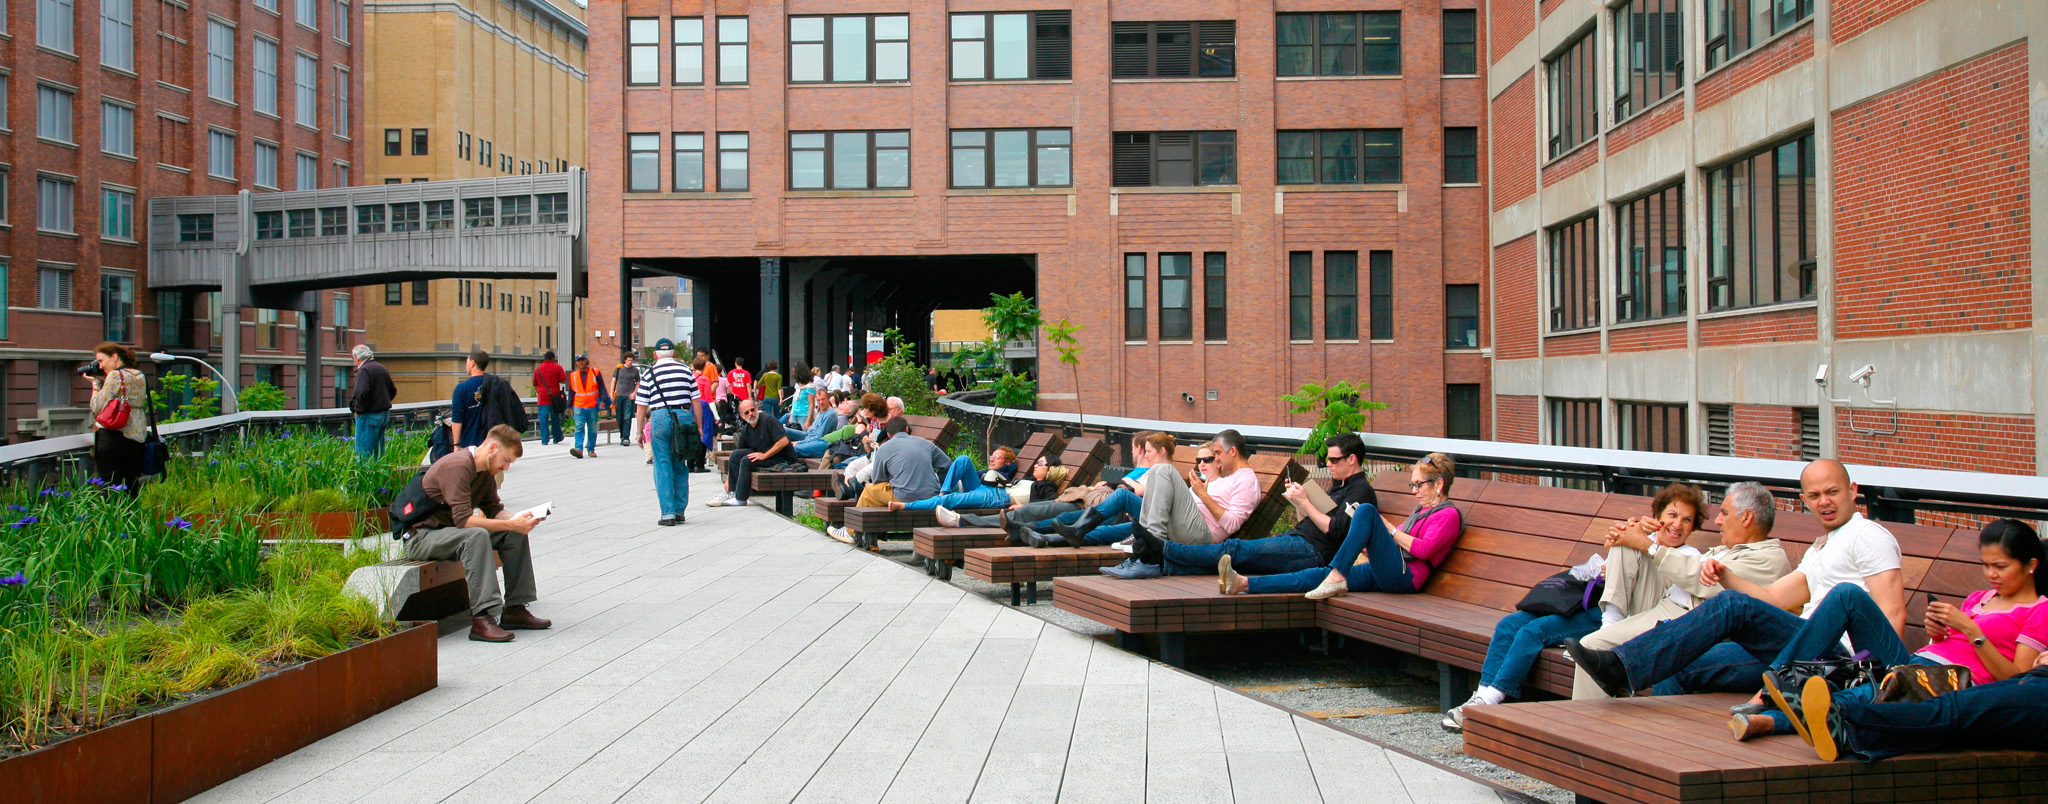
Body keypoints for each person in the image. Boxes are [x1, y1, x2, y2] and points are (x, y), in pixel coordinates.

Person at [1570, 460, 1907, 698]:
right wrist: (1726, 575)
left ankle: (1621, 669)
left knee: (1729, 605)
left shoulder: (1867, 535)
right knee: (1680, 664)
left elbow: (1891, 614)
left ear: (1853, 490)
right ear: (1804, 501)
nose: (1824, 502)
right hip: (1802, 649)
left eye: (1832, 492)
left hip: (1838, 660)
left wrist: (1872, 687)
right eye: (1815, 496)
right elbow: (1775, 599)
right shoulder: (1821, 548)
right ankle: (1661, 762)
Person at [1731, 519, 2046, 743]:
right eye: (1986, 565)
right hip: (1915, 661)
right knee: (1847, 595)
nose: (1991, 574)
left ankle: (1769, 720)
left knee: (1869, 691)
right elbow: (1949, 644)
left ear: (2030, 565)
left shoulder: (2039, 609)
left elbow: (2015, 678)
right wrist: (1938, 632)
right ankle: (1778, 685)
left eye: (2000, 567)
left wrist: (1972, 631)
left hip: (1950, 682)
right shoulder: (1981, 598)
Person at [1441, 481, 1714, 732]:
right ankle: (1480, 695)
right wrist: (1619, 557)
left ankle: (1493, 699)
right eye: (1672, 515)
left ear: (1693, 527)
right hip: (1605, 607)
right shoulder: (1638, 535)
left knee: (1533, 632)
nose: (1678, 525)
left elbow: (1663, 595)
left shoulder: (1689, 556)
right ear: (1658, 515)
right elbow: (1618, 559)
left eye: (1687, 520)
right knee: (1510, 624)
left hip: (1627, 620)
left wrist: (1635, 545)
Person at [1570, 482, 1793, 701]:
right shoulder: (1729, 549)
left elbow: (1706, 582)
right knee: (1628, 534)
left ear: (1746, 518)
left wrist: (1649, 546)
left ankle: (1583, 726)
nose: (1718, 521)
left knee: (1592, 644)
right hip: (1665, 604)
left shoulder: (1768, 558)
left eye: (1724, 513)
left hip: (1687, 621)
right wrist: (1642, 537)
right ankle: (1612, 624)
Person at [1225, 452, 1460, 600]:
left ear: (1438, 483)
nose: (1414, 490)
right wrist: (1368, 542)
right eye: (1413, 484)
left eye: (1419, 485)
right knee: (1317, 576)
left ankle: (1336, 576)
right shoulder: (1422, 511)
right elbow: (1396, 545)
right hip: (1385, 570)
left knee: (1367, 511)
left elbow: (1423, 550)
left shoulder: (1448, 515)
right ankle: (1244, 583)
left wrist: (1387, 529)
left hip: (1405, 577)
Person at [403, 425, 552, 643]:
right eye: (506, 459)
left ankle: (515, 609)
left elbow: (494, 510)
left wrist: (520, 519)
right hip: (422, 536)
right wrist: (512, 524)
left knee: (514, 533)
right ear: (492, 448)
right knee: (477, 535)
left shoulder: (486, 472)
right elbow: (463, 521)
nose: (506, 467)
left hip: (449, 533)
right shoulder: (458, 465)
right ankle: (482, 619)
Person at [1166, 433, 1380, 582]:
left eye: (1333, 459)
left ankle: (1166, 551)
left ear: (1352, 459)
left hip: (1311, 553)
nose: (1328, 464)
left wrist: (1305, 502)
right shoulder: (1338, 488)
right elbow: (1306, 524)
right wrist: (1298, 502)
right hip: (1298, 540)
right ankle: (1169, 565)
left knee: (1234, 550)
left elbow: (1335, 531)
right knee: (1238, 558)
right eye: (1327, 459)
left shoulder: (1361, 491)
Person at [1803, 652, 2048, 763]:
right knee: (1959, 718)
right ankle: (1851, 737)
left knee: (1954, 709)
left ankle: (1842, 717)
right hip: (2038, 679)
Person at [1099, 430, 1264, 579]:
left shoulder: (1246, 479)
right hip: (1190, 527)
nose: (1217, 459)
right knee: (1157, 469)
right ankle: (1142, 550)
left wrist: (1203, 494)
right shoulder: (1229, 478)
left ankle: (1151, 556)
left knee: (1166, 470)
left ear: (1233, 451)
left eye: (1218, 453)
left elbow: (1232, 524)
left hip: (1203, 536)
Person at [1018, 431, 1177, 548]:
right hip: (1128, 512)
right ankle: (1038, 533)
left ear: (1162, 451)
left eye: (1149, 451)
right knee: (1073, 516)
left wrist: (1126, 481)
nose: (1146, 455)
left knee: (1101, 528)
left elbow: (1143, 493)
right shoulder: (1157, 471)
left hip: (1141, 519)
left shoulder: (1166, 472)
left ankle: (1046, 538)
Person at [825, 418, 948, 544]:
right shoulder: (925, 443)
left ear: (888, 434)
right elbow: (947, 465)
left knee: (870, 490)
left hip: (904, 496)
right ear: (906, 429)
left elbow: (879, 480)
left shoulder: (885, 448)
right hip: (932, 495)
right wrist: (943, 489)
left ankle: (850, 531)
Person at [635, 338, 700, 526]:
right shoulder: (686, 371)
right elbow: (695, 400)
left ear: (655, 355)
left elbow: (641, 406)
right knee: (680, 462)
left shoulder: (649, 373)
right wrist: (700, 426)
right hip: (683, 416)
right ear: (674, 354)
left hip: (660, 418)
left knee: (662, 464)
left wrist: (639, 432)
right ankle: (680, 510)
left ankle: (668, 514)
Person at [708, 399, 803, 507]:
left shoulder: (769, 420)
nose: (751, 414)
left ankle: (741, 498)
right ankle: (732, 493)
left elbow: (784, 441)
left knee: (747, 460)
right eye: (747, 412)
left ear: (756, 409)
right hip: (765, 456)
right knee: (736, 455)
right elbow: (738, 454)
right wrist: (728, 480)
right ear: (742, 416)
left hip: (782, 458)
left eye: (752, 410)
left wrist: (764, 455)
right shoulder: (746, 429)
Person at [947, 454, 1073, 533]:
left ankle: (959, 518)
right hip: (996, 492)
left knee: (951, 499)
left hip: (1002, 500)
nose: (1035, 466)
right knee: (960, 467)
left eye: (1040, 463)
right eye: (1036, 462)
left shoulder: (1046, 486)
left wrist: (1023, 506)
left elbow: (1053, 500)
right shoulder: (1031, 481)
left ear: (1050, 469)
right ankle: (945, 500)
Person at [87, 342, 148, 494]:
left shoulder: (115, 375)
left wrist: (96, 384)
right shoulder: (139, 375)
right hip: (137, 436)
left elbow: (96, 405)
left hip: (114, 436)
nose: (100, 366)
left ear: (114, 357)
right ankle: (130, 516)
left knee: (109, 486)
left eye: (101, 361)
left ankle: (112, 517)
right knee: (131, 485)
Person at [886, 448, 1015, 513]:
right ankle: (944, 492)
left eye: (997, 458)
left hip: (989, 494)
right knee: (963, 459)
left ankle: (904, 506)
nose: (992, 459)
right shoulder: (986, 473)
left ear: (1007, 462)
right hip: (977, 488)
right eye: (992, 456)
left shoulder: (1004, 474)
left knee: (949, 499)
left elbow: (1009, 474)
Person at [348, 344, 398, 462]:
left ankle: (366, 479)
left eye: (353, 358)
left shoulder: (364, 370)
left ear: (357, 357)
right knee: (378, 452)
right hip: (383, 414)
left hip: (368, 415)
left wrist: (357, 410)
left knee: (364, 453)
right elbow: (393, 390)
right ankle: (378, 478)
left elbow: (361, 393)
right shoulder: (381, 367)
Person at [566, 353, 611, 459]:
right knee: (579, 427)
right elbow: (571, 392)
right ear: (576, 363)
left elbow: (602, 388)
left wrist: (603, 400)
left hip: (592, 405)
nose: (581, 362)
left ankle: (591, 449)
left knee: (592, 429)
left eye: (583, 360)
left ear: (587, 361)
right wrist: (568, 406)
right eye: (578, 361)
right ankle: (578, 449)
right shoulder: (573, 376)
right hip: (579, 405)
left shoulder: (595, 372)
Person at [532, 350, 567, 446]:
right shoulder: (558, 367)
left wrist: (539, 392)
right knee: (555, 418)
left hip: (542, 397)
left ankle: (544, 440)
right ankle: (557, 437)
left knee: (543, 419)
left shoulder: (538, 369)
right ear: (553, 358)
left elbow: (535, 383)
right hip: (554, 397)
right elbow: (563, 380)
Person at [692, 356, 719, 470]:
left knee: (693, 434)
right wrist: (717, 416)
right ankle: (699, 464)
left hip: (691, 407)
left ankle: (690, 464)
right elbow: (709, 398)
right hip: (703, 407)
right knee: (705, 434)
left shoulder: (690, 378)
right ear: (704, 367)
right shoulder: (704, 379)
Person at [612, 350, 642, 447]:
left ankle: (626, 437)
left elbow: (638, 383)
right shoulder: (618, 369)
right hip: (620, 395)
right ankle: (622, 435)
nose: (630, 362)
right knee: (619, 417)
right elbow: (614, 381)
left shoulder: (635, 371)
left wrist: (634, 393)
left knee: (627, 417)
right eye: (628, 360)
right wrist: (611, 394)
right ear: (625, 360)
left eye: (631, 360)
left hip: (629, 396)